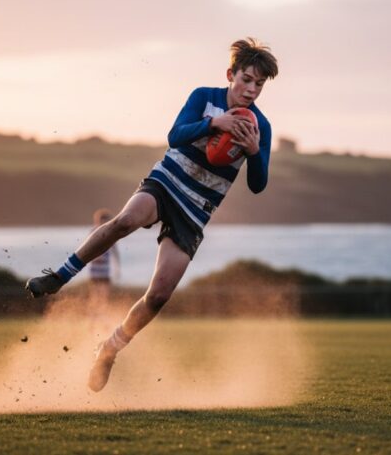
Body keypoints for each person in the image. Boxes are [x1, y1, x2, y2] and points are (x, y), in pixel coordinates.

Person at [26, 37, 278, 391]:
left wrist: (253, 152)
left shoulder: (260, 127)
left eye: (259, 84)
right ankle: (59, 276)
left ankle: (109, 349)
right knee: (126, 220)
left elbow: (258, 184)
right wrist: (214, 125)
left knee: (159, 296)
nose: (251, 89)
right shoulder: (204, 97)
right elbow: (175, 136)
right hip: (167, 182)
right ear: (230, 74)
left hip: (196, 209)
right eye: (246, 80)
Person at [87, 208, 119, 314]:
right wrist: (95, 257)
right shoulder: (92, 232)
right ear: (97, 221)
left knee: (104, 296)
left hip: (105, 270)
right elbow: (87, 249)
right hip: (95, 270)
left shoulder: (111, 233)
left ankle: (101, 316)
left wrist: (117, 267)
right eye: (103, 220)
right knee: (95, 295)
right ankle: (93, 316)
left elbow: (115, 251)